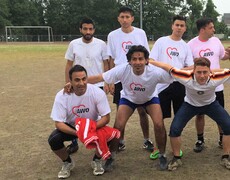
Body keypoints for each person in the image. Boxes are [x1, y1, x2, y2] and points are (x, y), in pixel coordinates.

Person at [88, 45, 170, 171]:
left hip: (149, 99)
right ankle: (112, 156)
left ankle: (162, 154)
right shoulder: (122, 69)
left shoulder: (155, 71)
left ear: (146, 60)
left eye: (141, 59)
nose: (138, 62)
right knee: (118, 126)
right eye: (134, 59)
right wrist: (76, 83)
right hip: (128, 99)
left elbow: (175, 76)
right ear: (129, 61)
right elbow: (100, 77)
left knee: (159, 124)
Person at [150, 57, 230, 171]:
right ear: (193, 71)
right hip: (190, 105)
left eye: (205, 72)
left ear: (210, 72)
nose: (202, 76)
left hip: (211, 104)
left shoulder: (217, 77)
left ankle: (226, 157)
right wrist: (151, 62)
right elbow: (167, 67)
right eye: (198, 72)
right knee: (174, 130)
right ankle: (176, 158)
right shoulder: (185, 76)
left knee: (228, 126)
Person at [48, 65, 111, 178]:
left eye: (84, 79)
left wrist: (89, 129)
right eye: (77, 80)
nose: (81, 83)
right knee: (54, 139)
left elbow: (106, 117)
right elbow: (58, 123)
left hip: (92, 125)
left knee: (110, 135)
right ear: (70, 81)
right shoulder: (62, 95)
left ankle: (96, 160)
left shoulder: (97, 92)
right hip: (73, 128)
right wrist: (79, 133)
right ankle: (67, 162)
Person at [107, 6, 153, 151]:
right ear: (118, 19)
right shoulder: (112, 35)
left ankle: (147, 139)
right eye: (122, 17)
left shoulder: (140, 33)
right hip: (121, 77)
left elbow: (147, 57)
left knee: (142, 111)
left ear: (132, 18)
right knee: (121, 112)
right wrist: (111, 80)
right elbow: (111, 59)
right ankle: (120, 141)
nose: (125, 20)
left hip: (138, 75)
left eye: (127, 17)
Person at [149, 15, 193, 159]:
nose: (179, 28)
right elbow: (150, 60)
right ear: (172, 26)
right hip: (161, 86)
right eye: (177, 25)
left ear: (185, 28)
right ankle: (158, 147)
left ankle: (176, 147)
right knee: (159, 120)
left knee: (179, 118)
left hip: (179, 86)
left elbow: (190, 66)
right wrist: (167, 69)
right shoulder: (162, 42)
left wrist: (178, 72)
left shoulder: (185, 46)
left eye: (182, 25)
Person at [64, 17, 109, 154]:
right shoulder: (74, 44)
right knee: (75, 114)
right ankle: (74, 141)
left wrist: (107, 81)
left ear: (94, 30)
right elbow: (69, 65)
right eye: (85, 29)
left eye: (90, 29)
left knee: (98, 115)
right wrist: (68, 82)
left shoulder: (101, 44)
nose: (88, 31)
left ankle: (98, 140)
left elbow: (106, 63)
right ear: (80, 30)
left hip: (98, 85)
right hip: (78, 85)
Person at [187, 17, 230, 152]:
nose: (214, 30)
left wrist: (228, 54)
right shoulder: (191, 45)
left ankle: (222, 138)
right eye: (211, 27)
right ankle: (200, 140)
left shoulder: (216, 41)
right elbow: (188, 65)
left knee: (220, 114)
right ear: (203, 29)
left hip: (216, 86)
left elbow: (222, 56)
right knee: (199, 114)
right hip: (199, 87)